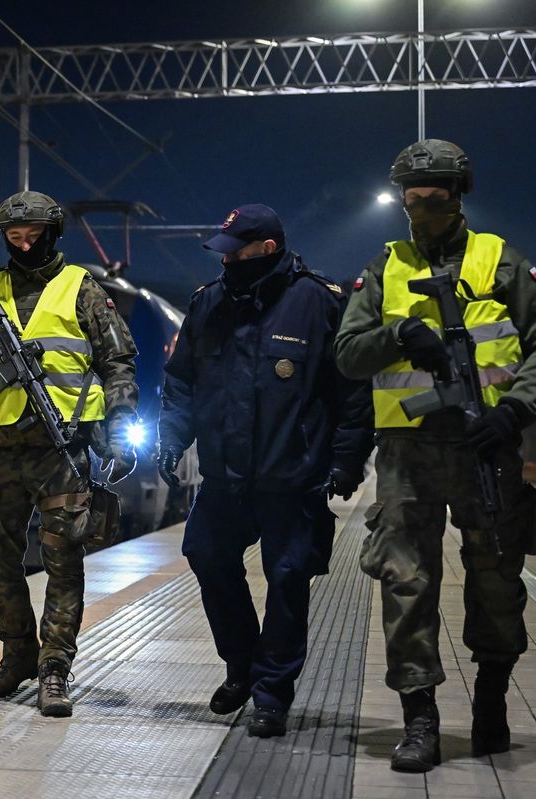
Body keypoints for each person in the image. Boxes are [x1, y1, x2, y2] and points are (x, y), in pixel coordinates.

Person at [335, 139, 536, 771]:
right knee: (406, 584)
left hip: (486, 446)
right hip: (406, 453)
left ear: (459, 195)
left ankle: (492, 700)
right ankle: (420, 719)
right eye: (412, 197)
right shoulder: (385, 268)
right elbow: (347, 355)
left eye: (435, 195)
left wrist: (515, 409)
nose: (422, 206)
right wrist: (398, 333)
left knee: (496, 576)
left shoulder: (500, 260)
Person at [157, 204, 373, 738]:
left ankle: (271, 693)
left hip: (292, 476)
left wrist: (346, 461)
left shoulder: (320, 302)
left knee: (288, 579)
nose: (226, 261)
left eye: (237, 252)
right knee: (206, 555)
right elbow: (181, 380)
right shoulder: (209, 303)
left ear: (267, 249)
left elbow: (351, 392)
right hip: (224, 476)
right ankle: (242, 666)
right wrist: (171, 438)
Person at [0, 190, 139, 717]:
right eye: (14, 237)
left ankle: (54, 668)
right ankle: (17, 655)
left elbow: (118, 362)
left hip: (62, 448)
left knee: (63, 559)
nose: (24, 246)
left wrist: (120, 427)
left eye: (33, 236)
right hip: (0, 450)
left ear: (52, 234)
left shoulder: (82, 288)